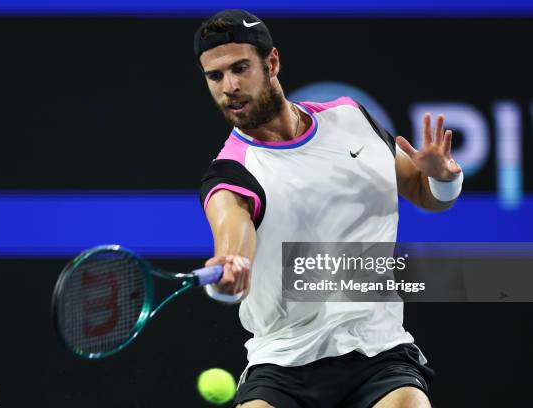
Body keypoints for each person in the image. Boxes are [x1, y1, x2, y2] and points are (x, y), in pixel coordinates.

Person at [195, 9, 463, 408]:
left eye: (240, 68)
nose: (229, 86)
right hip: (283, 365)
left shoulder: (349, 118)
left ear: (272, 63)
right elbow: (233, 247)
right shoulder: (231, 176)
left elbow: (426, 196)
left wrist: (443, 177)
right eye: (215, 76)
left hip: (379, 353)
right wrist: (229, 275)